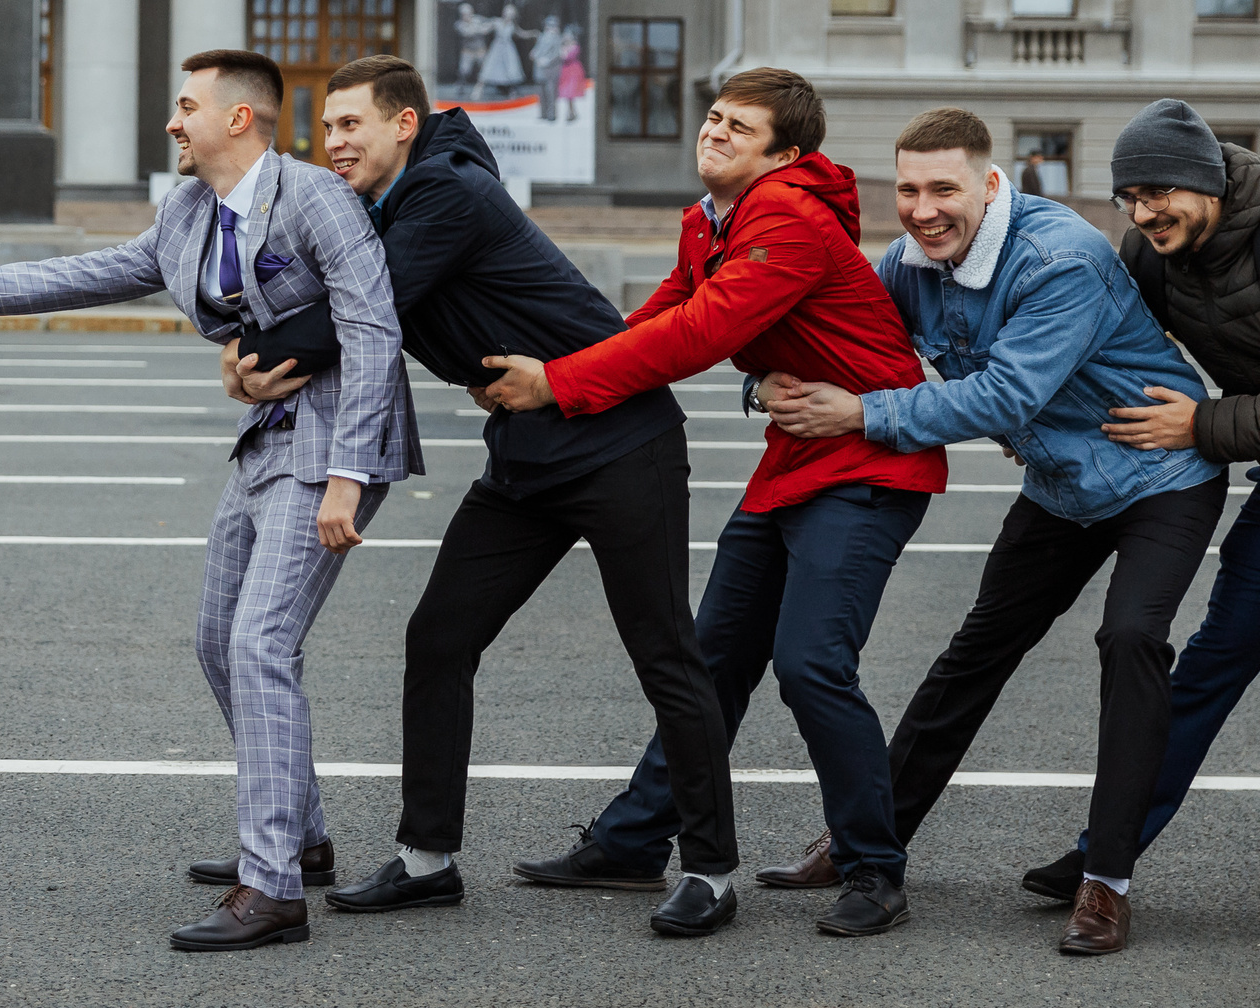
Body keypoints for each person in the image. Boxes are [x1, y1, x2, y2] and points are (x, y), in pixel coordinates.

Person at [0, 50, 412, 952]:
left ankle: (270, 888)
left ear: (239, 119)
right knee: (217, 638)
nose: (170, 121)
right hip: (265, 442)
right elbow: (79, 275)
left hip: (332, 443)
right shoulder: (188, 209)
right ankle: (299, 837)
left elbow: (372, 327)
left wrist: (350, 472)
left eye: (185, 105)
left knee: (260, 642)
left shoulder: (314, 197)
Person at [251, 54, 735, 937]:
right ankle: (428, 859)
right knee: (440, 636)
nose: (334, 143)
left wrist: (260, 357)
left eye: (351, 124)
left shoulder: (446, 193)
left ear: (404, 123)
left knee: (664, 650)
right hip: (528, 453)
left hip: (622, 443)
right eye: (325, 128)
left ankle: (708, 868)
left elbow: (364, 310)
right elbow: (303, 281)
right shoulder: (383, 205)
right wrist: (250, 337)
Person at [478, 68, 947, 938]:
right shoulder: (712, 219)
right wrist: (563, 362)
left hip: (871, 466)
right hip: (795, 459)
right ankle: (632, 840)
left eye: (741, 127)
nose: (716, 132)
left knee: (811, 665)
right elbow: (662, 313)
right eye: (715, 116)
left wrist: (559, 384)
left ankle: (873, 865)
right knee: (711, 660)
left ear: (787, 155)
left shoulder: (788, 218)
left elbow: (703, 332)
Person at [761, 107, 1225, 956]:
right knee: (976, 651)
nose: (923, 208)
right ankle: (868, 841)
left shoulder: (1062, 259)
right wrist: (774, 372)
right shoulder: (909, 263)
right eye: (907, 189)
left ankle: (1108, 879)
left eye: (945, 188)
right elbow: (851, 330)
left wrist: (860, 413)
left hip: (1161, 474)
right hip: (1061, 485)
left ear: (990, 182)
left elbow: (1002, 396)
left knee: (1130, 638)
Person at [1019, 101, 1260, 904]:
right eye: (1129, 195)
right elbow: (1109, 351)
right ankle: (1104, 851)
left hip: (1233, 434)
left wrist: (1203, 424)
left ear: (1206, 181)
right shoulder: (1152, 255)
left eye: (1158, 191)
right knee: (1209, 664)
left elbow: (1200, 414)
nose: (1144, 211)